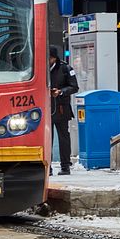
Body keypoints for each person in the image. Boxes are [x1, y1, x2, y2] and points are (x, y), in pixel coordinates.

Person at [49, 45, 79, 175]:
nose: (47, 60)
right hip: (46, 109)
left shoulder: (65, 68)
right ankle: (47, 167)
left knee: (63, 138)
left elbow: (74, 87)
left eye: (49, 58)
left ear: (54, 57)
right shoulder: (39, 68)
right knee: (47, 139)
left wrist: (61, 92)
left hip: (61, 108)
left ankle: (65, 166)